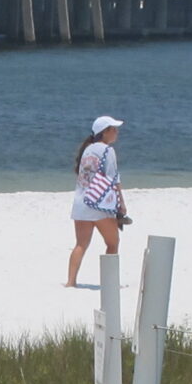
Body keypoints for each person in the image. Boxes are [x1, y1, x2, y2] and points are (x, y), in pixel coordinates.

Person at [66, 115, 125, 288]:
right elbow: (113, 179)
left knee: (81, 245)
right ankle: (110, 282)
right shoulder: (108, 150)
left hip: (81, 202)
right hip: (99, 204)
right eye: (113, 129)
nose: (116, 132)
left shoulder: (87, 149)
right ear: (105, 132)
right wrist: (121, 203)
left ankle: (71, 282)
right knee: (113, 243)